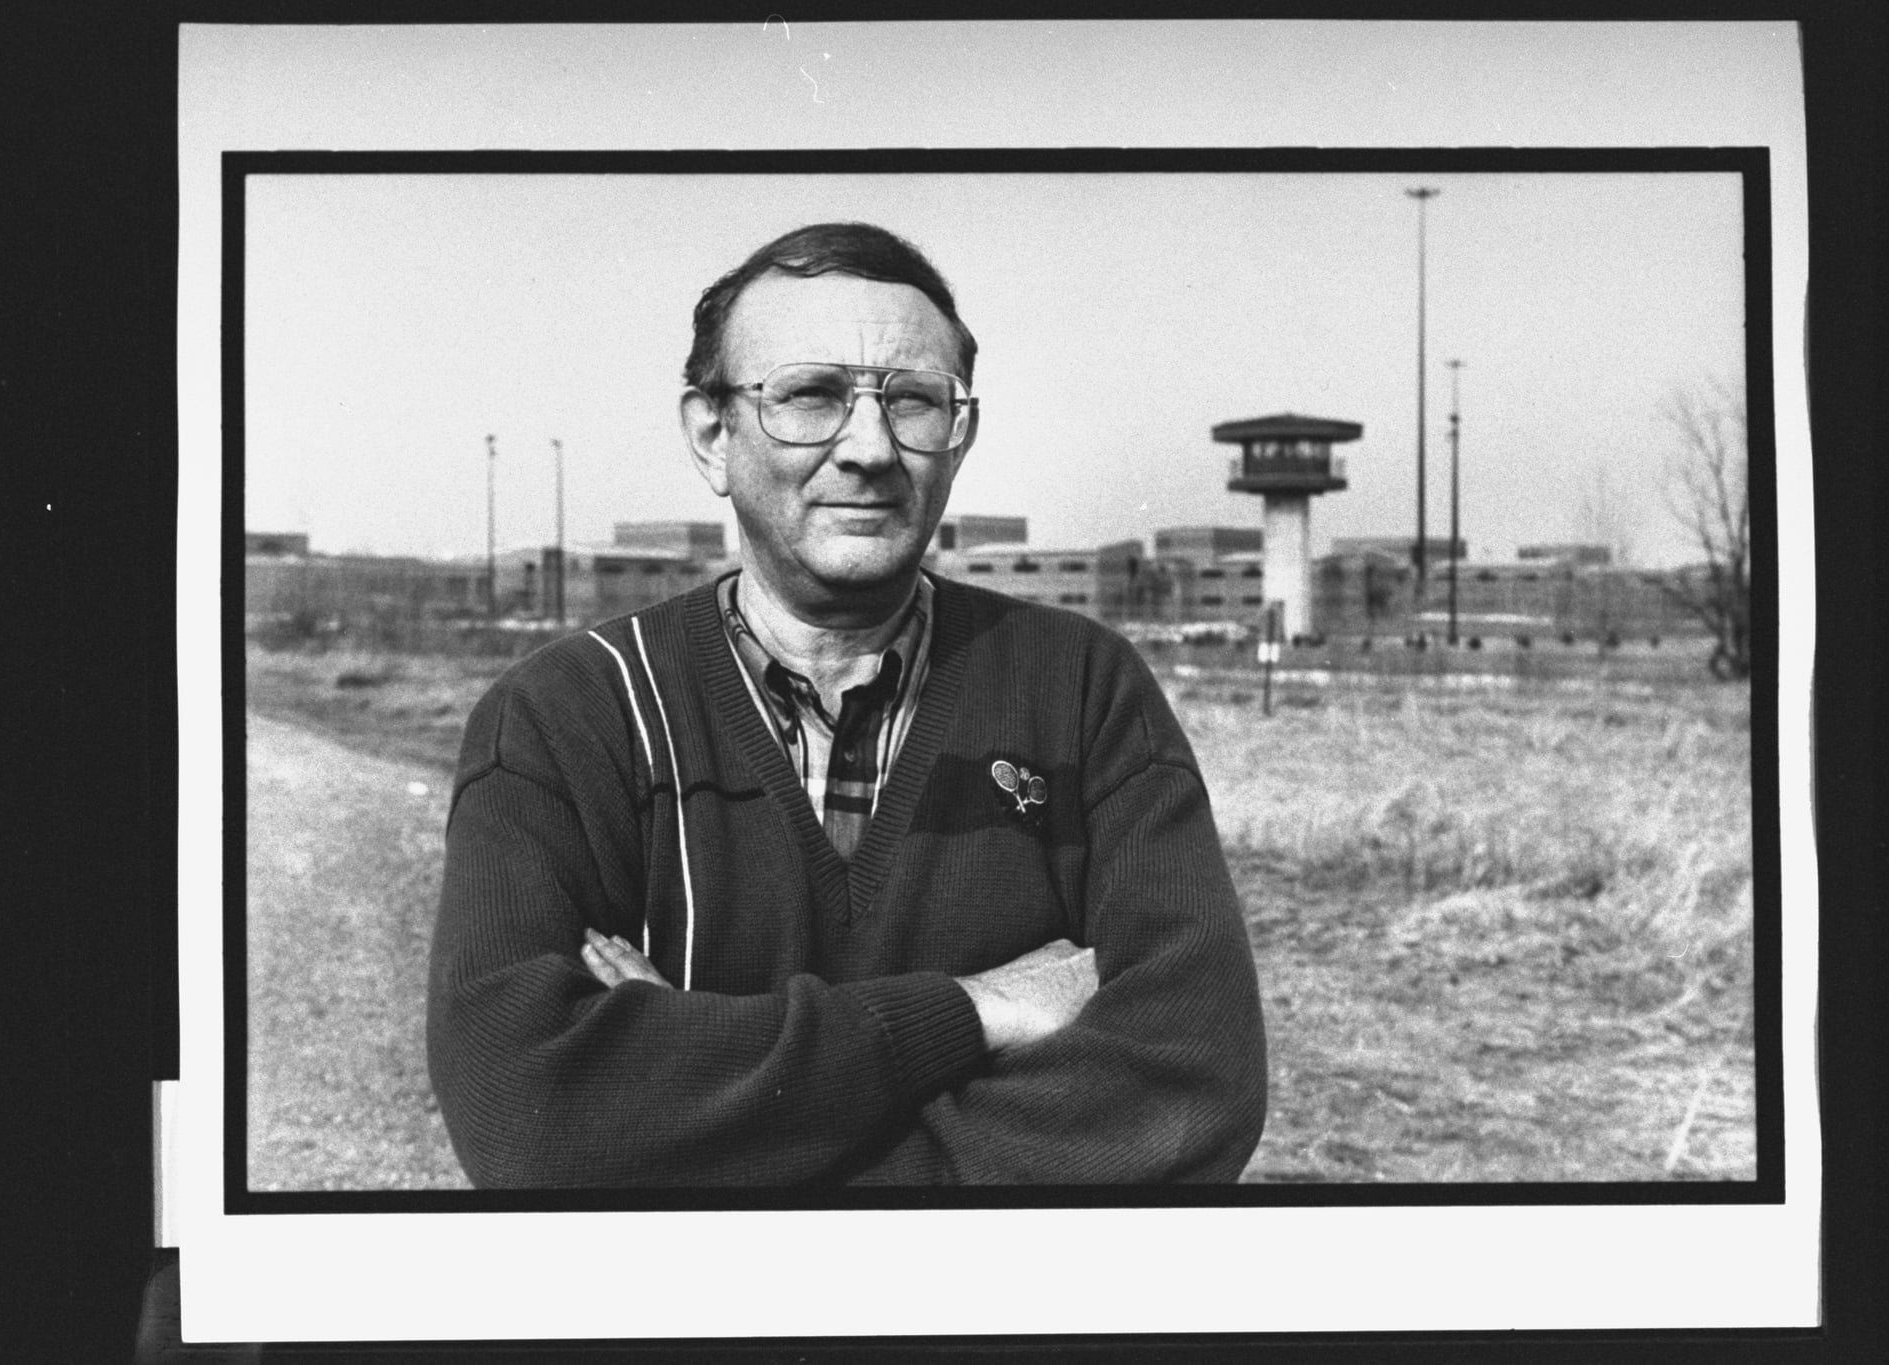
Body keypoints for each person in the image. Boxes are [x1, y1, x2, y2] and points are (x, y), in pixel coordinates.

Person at [426, 222, 1265, 1186]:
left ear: (961, 436)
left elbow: (1191, 1086)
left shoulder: (1081, 691)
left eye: (912, 402)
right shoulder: (566, 717)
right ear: (713, 435)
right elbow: (529, 1115)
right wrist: (973, 1013)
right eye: (810, 397)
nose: (868, 447)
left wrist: (709, 1128)